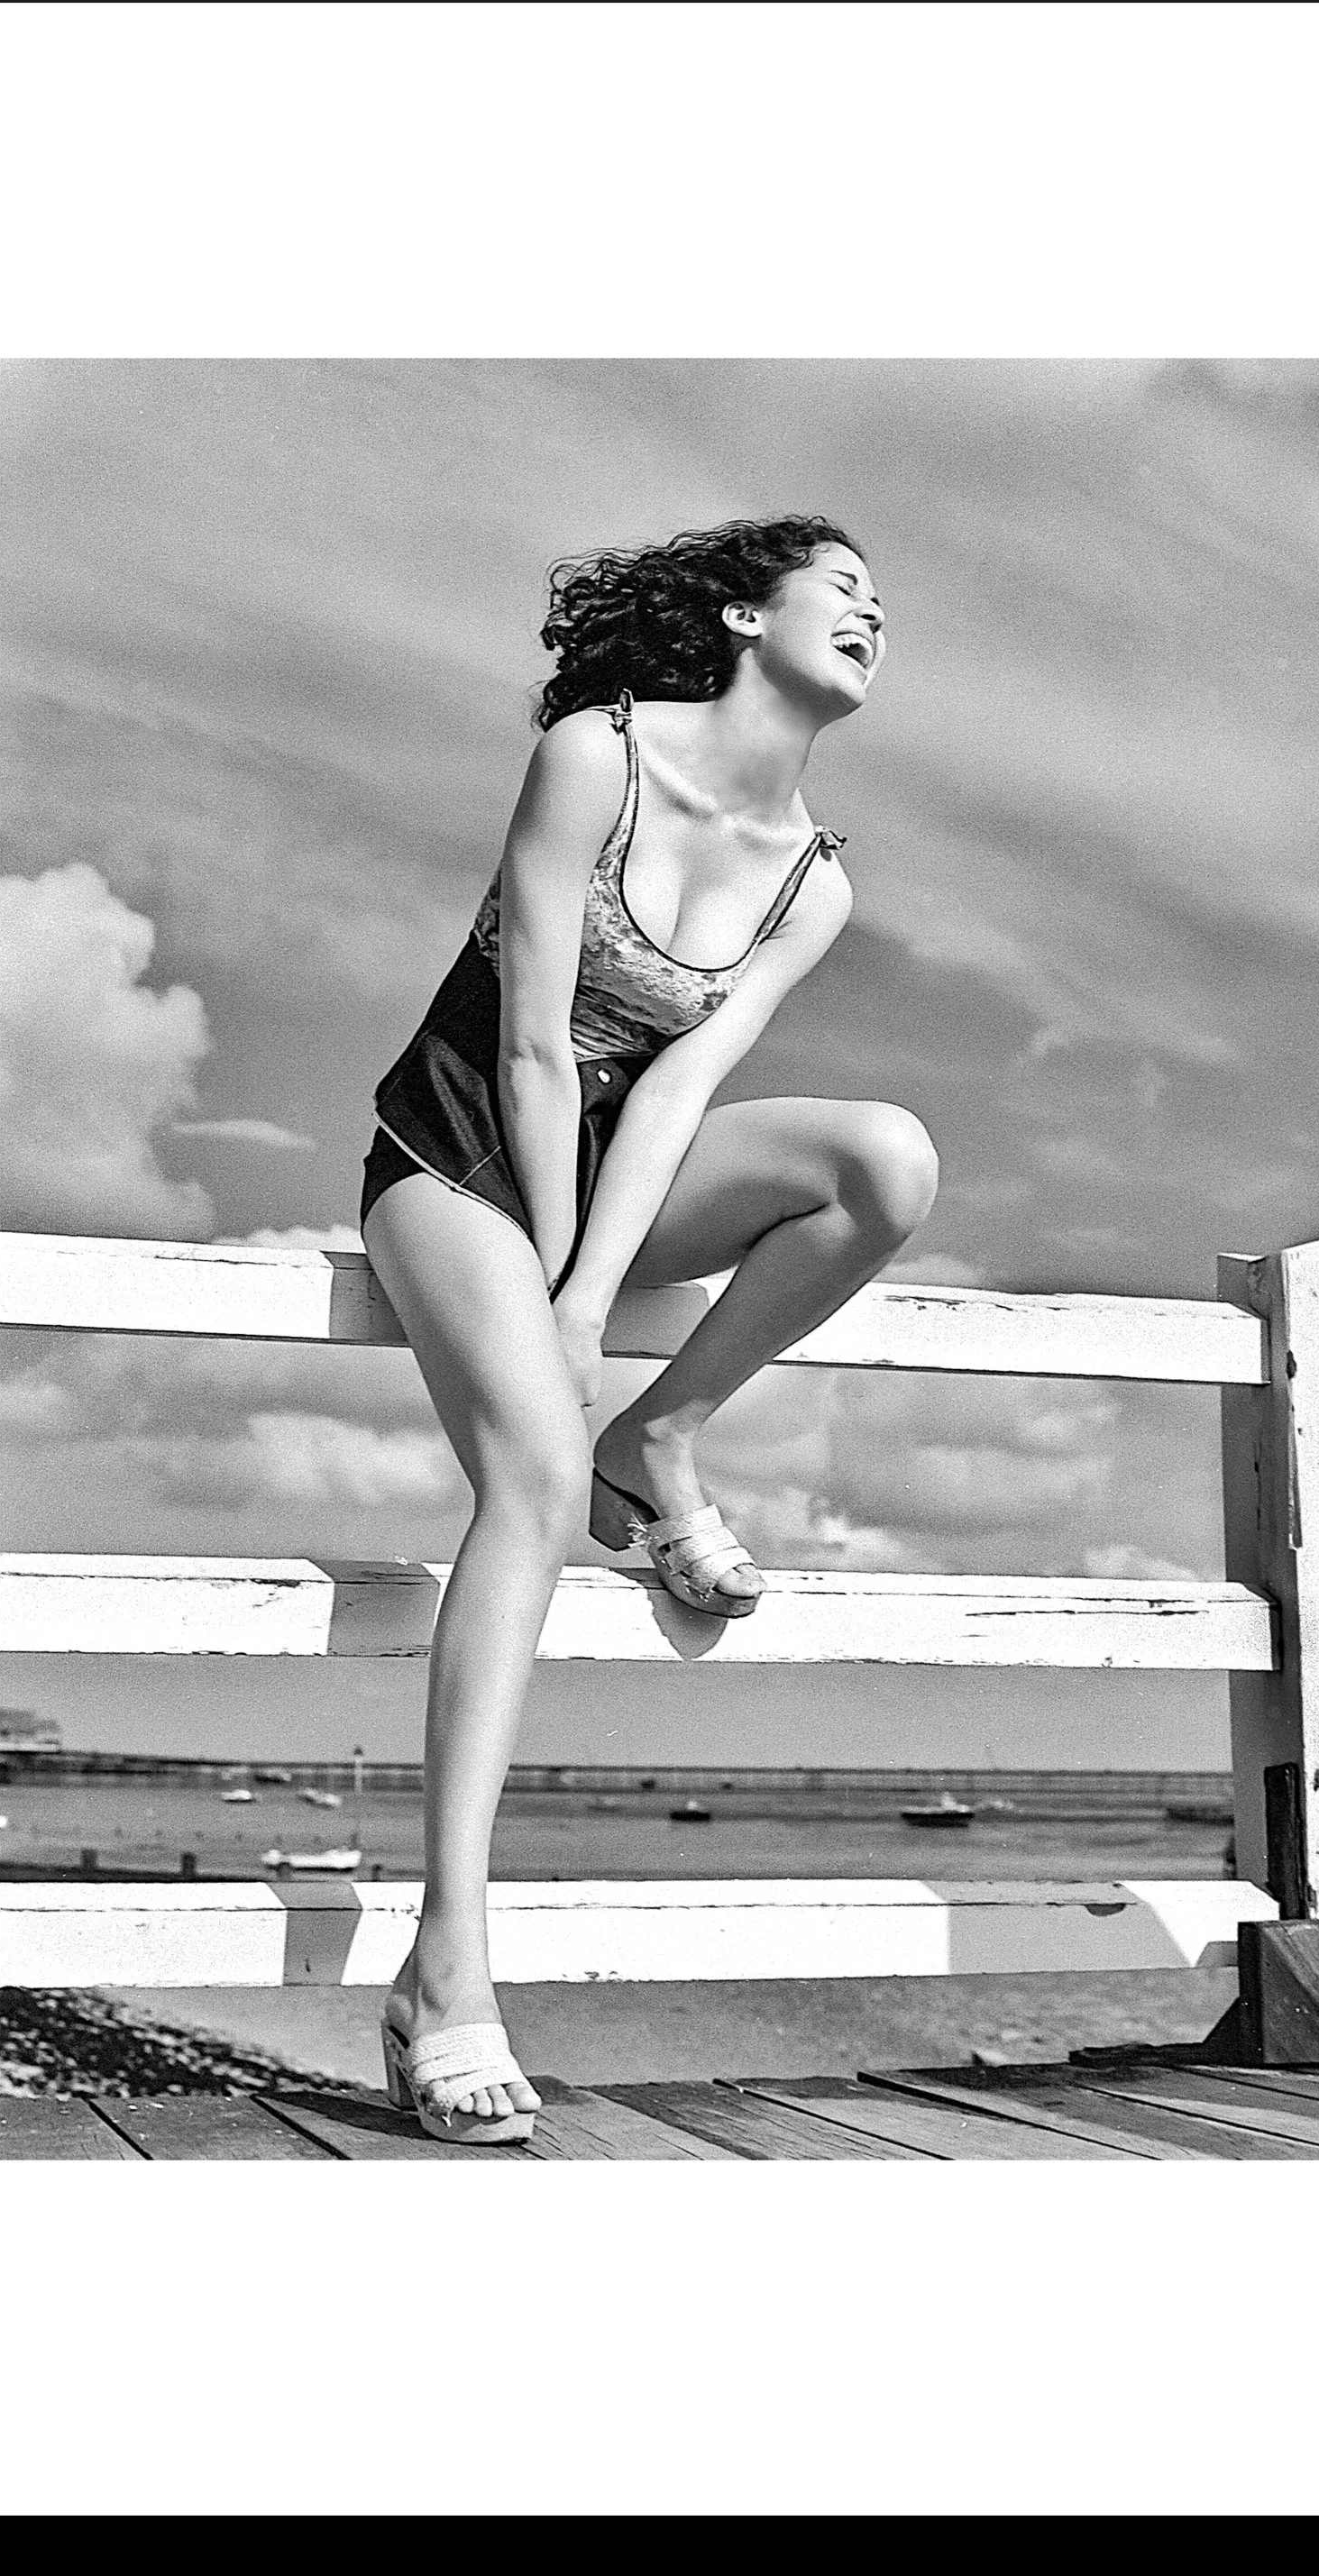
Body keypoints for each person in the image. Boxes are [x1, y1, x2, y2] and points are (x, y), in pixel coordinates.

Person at [358, 516, 939, 2142]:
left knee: (885, 1161)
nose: (872, 611)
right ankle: (446, 1971)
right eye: (845, 587)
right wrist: (552, 1289)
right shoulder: (591, 756)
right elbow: (536, 1046)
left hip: (623, 1166)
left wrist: (596, 1304)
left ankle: (659, 1431)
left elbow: (678, 1081)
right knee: (532, 1485)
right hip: (458, 1146)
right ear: (746, 612)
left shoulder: (816, 879)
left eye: (882, 603)